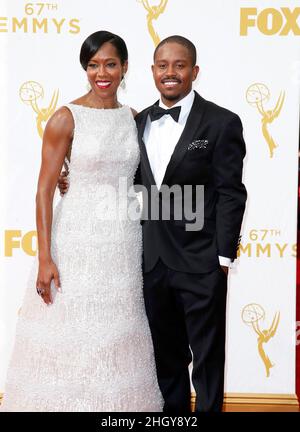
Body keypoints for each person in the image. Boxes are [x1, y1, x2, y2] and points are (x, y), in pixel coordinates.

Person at [59, 35, 247, 412]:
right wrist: (75, 182)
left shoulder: (222, 122)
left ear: (194, 71)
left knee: (208, 363)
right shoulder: (138, 120)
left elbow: (231, 192)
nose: (171, 73)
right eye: (163, 66)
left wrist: (223, 259)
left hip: (201, 262)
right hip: (150, 261)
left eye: (179, 66)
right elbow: (125, 179)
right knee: (166, 362)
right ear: (152, 71)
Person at [0, 30, 163, 412]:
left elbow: (142, 185)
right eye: (92, 65)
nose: (101, 73)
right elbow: (43, 191)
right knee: (68, 330)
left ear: (124, 68)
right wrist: (45, 257)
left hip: (122, 244)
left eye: (109, 64)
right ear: (84, 68)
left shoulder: (133, 118)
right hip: (74, 241)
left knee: (117, 329)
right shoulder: (65, 117)